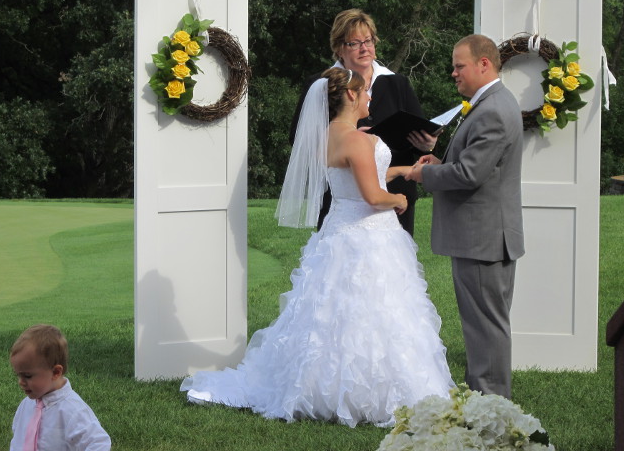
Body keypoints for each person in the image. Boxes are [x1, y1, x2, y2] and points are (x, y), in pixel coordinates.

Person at [181, 67, 455, 427]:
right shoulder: (358, 140)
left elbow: (357, 176)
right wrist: (399, 202)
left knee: (331, 314)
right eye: (365, 92)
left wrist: (402, 170)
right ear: (352, 96)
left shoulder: (330, 135)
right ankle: (369, 393)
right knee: (376, 311)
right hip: (368, 237)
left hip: (339, 233)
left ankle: (322, 384)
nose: (370, 96)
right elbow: (373, 196)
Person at [407, 34, 524, 399]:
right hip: (485, 236)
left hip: (483, 238)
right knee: (484, 325)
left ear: (483, 64)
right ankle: (486, 400)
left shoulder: (492, 110)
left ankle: (491, 406)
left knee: (485, 327)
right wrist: (441, 163)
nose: (453, 73)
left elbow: (470, 175)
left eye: (459, 66)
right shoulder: (490, 103)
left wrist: (421, 174)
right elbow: (475, 167)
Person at [290, 8, 437, 235]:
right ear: (339, 48)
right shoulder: (321, 85)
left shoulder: (397, 83)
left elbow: (420, 127)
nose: (364, 48)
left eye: (368, 41)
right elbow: (301, 140)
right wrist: (352, 139)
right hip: (343, 196)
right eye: (354, 43)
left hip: (396, 192)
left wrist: (427, 145)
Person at [9, 324, 111, 451]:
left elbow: (98, 443)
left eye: (27, 376)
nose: (21, 382)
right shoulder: (26, 406)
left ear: (56, 372)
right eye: (18, 375)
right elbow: (18, 440)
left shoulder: (73, 410)